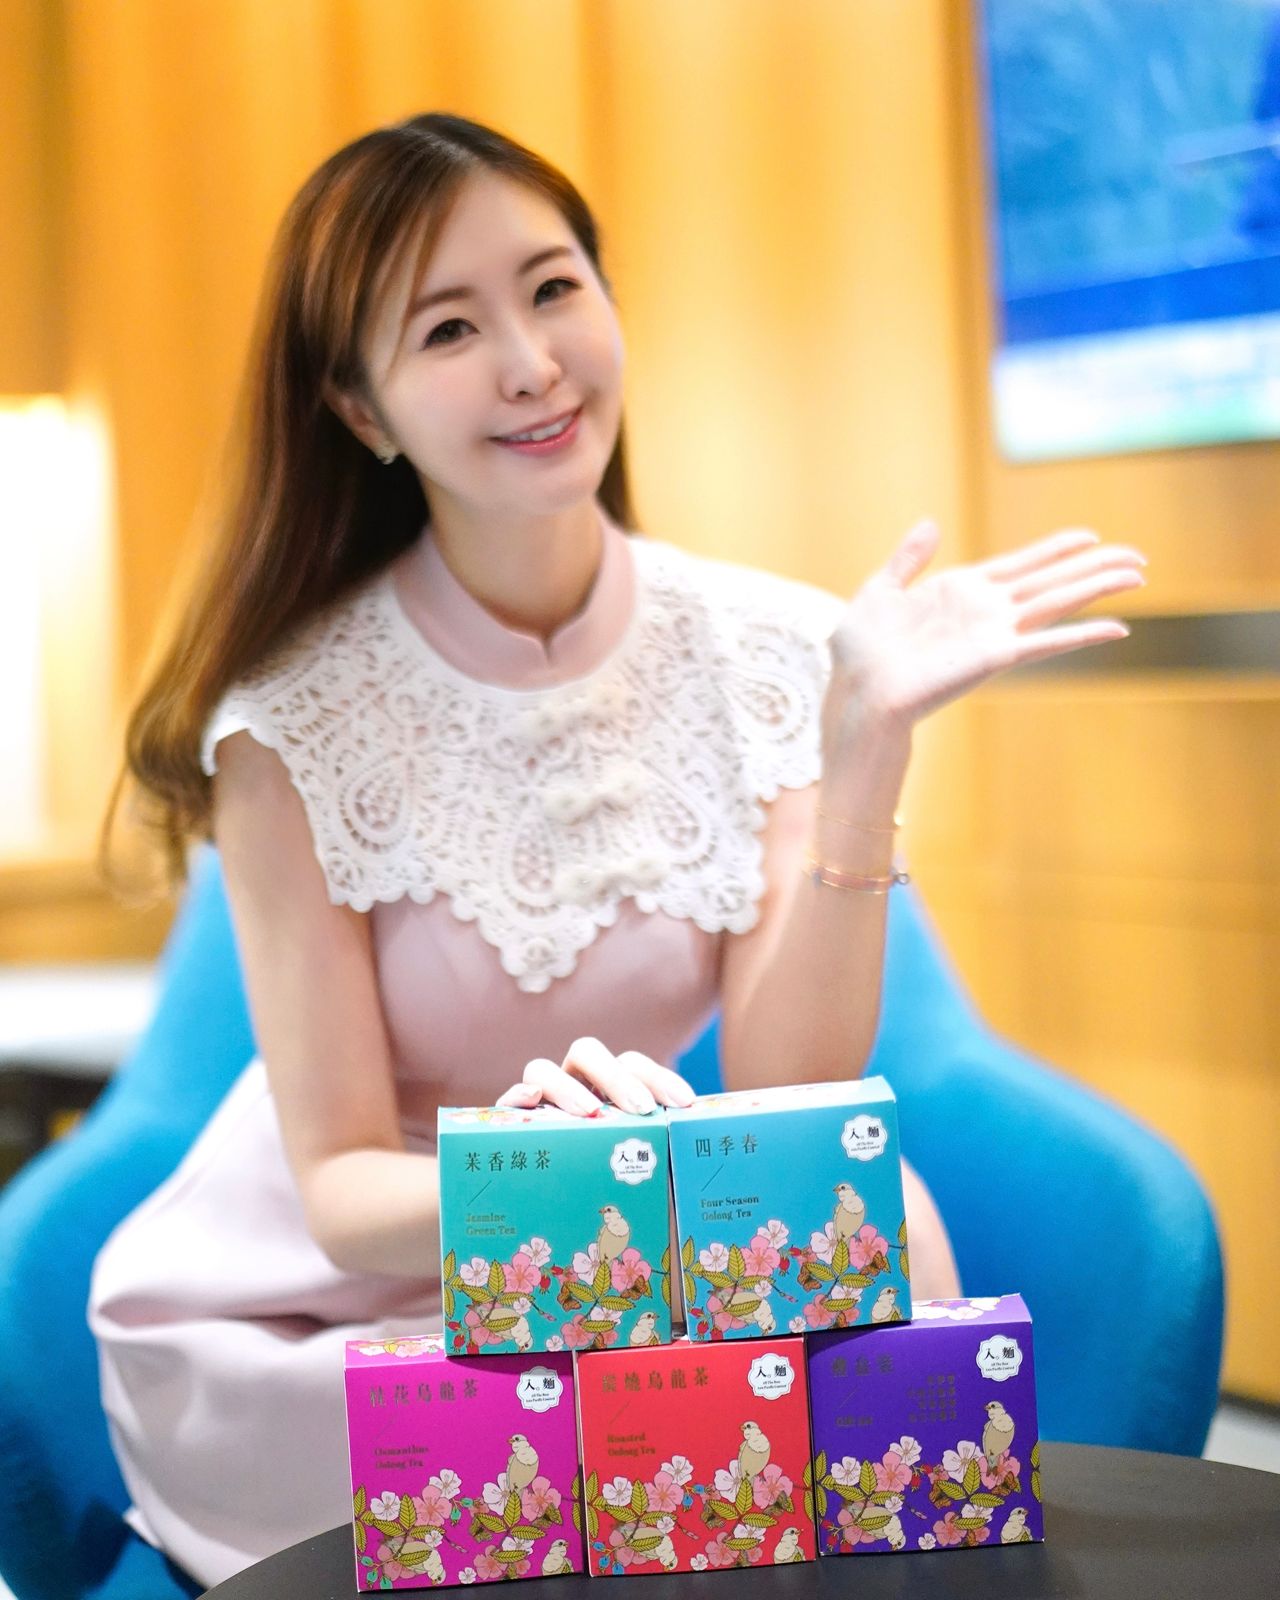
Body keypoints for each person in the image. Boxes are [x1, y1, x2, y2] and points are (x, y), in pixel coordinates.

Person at [88, 110, 1146, 1590]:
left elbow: (783, 1087)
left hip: (635, 1252)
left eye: (553, 288)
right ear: (360, 408)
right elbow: (338, 1189)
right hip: (354, 1301)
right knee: (640, 1440)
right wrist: (612, 1198)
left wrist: (866, 753)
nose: (531, 362)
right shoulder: (290, 727)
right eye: (449, 328)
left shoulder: (776, 647)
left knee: (881, 1252)